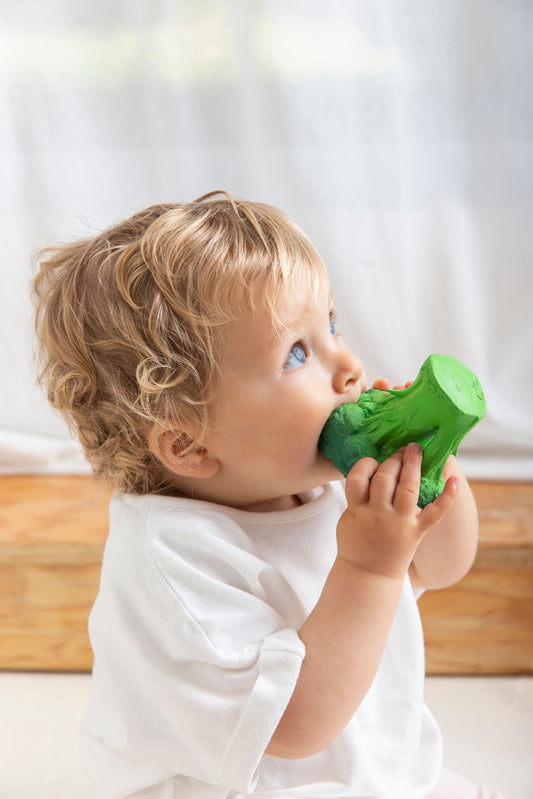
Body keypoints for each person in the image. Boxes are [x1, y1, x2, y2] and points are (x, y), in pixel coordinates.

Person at [32, 192, 507, 799]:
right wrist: (368, 566)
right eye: (298, 354)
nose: (351, 367)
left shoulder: (315, 488)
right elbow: (292, 724)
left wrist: (429, 464)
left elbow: (444, 565)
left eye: (331, 325)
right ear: (190, 446)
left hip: (365, 769)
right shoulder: (173, 556)